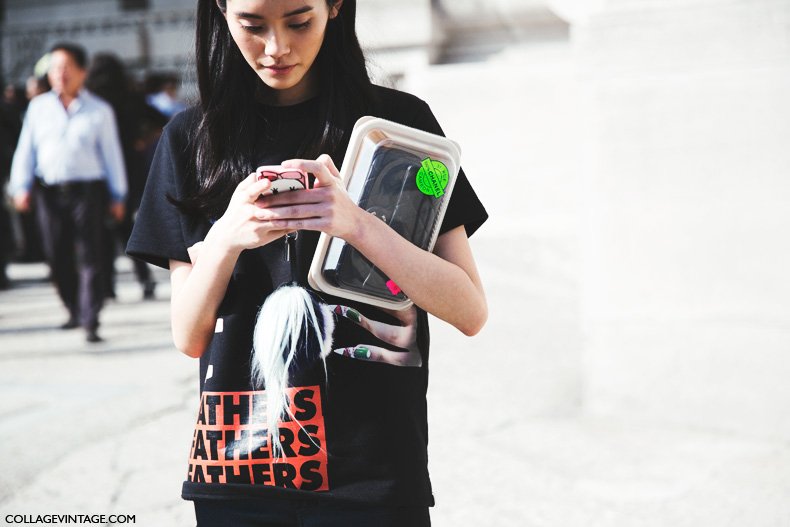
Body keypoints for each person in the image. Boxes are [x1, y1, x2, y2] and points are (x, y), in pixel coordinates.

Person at [127, 1, 488, 525]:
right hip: (237, 473)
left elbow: (470, 309)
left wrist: (357, 224)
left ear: (335, 7)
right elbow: (189, 336)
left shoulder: (398, 128)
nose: (277, 48)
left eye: (299, 22)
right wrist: (228, 237)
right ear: (222, 14)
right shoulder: (192, 138)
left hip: (375, 473)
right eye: (252, 25)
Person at [9, 43, 127, 343]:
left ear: (82, 72)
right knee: (56, 254)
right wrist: (20, 186)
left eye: (66, 68)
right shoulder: (38, 108)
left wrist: (118, 195)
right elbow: (27, 150)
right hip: (48, 192)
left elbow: (111, 154)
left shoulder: (99, 110)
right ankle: (74, 308)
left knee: (92, 254)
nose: (59, 74)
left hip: (87, 191)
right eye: (54, 68)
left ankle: (91, 318)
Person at [86, 53, 167, 300]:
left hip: (99, 168)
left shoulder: (93, 99)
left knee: (102, 231)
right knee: (126, 227)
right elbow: (161, 120)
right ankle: (144, 278)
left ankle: (108, 285)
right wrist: (142, 140)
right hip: (129, 164)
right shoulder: (131, 96)